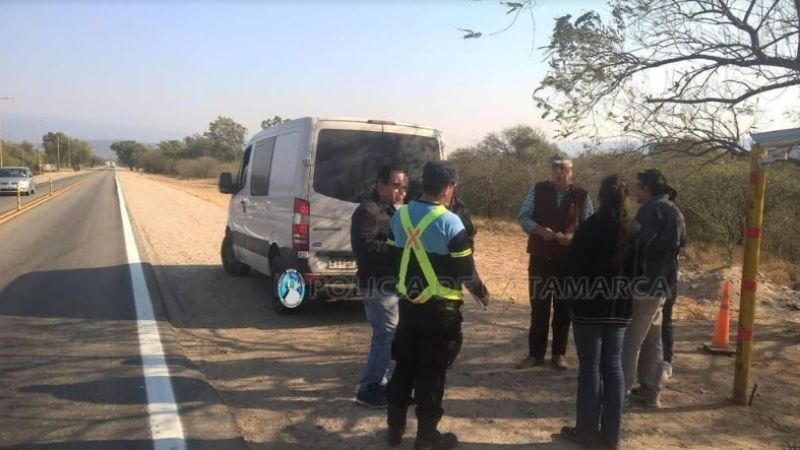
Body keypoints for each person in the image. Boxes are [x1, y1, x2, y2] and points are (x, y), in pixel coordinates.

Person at [385, 161, 489, 450]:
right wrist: (482, 293)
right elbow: (465, 271)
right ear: (447, 188)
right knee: (432, 372)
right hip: (442, 311)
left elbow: (391, 260)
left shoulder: (400, 216)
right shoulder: (451, 222)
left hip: (408, 305)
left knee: (405, 364)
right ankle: (426, 435)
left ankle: (394, 429)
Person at [560, 174, 634, 450]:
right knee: (613, 368)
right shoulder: (634, 229)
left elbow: (571, 267)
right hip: (619, 309)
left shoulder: (589, 227)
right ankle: (612, 435)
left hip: (588, 308)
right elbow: (640, 272)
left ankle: (586, 431)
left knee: (590, 369)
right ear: (625, 198)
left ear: (600, 197)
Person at [516, 153, 593, 370]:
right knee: (539, 307)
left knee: (563, 308)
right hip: (540, 258)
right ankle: (535, 354)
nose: (560, 175)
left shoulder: (582, 196)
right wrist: (540, 231)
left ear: (571, 172)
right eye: (557, 171)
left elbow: (589, 225)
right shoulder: (537, 190)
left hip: (567, 262)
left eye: (565, 171)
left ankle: (559, 354)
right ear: (551, 172)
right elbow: (522, 216)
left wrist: (572, 237)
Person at [622, 169, 686, 408]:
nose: (636, 192)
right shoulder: (675, 211)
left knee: (631, 340)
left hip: (645, 283)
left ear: (647, 190)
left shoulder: (651, 210)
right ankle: (650, 390)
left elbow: (638, 243)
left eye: (639, 188)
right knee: (653, 338)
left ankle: (621, 390)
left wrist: (627, 229)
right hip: (664, 283)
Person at [350, 164, 408, 408]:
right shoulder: (367, 211)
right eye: (396, 186)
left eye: (404, 187)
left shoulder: (389, 210)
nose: (401, 192)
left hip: (388, 282)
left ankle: (379, 383)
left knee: (385, 335)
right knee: (385, 335)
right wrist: (398, 250)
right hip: (375, 284)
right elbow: (363, 246)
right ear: (380, 184)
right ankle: (369, 389)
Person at [662, 187, 686, 380]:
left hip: (658, 275)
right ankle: (665, 362)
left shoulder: (655, 212)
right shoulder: (678, 215)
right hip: (670, 273)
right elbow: (682, 244)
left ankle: (665, 362)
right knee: (665, 318)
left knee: (662, 320)